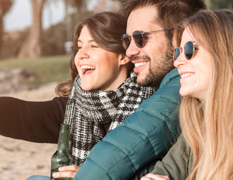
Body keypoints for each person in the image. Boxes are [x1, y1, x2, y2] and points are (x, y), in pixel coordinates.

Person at [0, 12, 157, 179]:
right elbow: (22, 115)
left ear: (124, 55)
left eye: (94, 46)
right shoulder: (74, 107)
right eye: (80, 47)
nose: (81, 55)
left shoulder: (151, 107)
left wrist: (91, 175)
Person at [73, 0, 206, 179]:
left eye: (140, 38)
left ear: (176, 37)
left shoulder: (181, 87)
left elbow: (122, 151)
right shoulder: (156, 87)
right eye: (127, 40)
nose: (129, 51)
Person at [141, 9, 233, 180]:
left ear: (224, 52)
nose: (177, 62)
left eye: (189, 49)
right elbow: (162, 173)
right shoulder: (196, 128)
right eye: (177, 52)